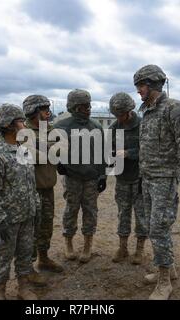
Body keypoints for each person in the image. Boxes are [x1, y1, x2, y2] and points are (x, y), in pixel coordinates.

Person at [135, 65, 180, 300]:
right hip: (148, 177)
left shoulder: (174, 108)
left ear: (151, 84)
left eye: (140, 85)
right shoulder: (147, 111)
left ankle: (164, 283)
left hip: (164, 179)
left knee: (158, 228)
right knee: (156, 227)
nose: (138, 90)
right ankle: (168, 269)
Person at [0, 104, 42, 300]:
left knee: (25, 254)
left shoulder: (23, 149)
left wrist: (36, 207)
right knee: (3, 258)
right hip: (7, 220)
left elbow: (30, 183)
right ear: (9, 125)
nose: (25, 124)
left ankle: (23, 288)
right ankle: (0, 293)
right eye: (21, 121)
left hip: (27, 215)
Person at [54, 89, 107, 264]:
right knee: (71, 210)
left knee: (90, 211)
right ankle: (68, 243)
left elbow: (101, 154)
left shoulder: (96, 127)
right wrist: (58, 164)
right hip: (72, 177)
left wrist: (102, 176)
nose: (88, 109)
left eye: (89, 105)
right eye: (84, 106)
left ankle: (87, 244)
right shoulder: (61, 127)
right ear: (75, 107)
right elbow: (53, 150)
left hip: (91, 178)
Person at [23, 95, 64, 275]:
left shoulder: (51, 130)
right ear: (32, 111)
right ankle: (27, 268)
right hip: (30, 190)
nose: (48, 111)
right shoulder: (23, 131)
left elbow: (63, 149)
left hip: (48, 187)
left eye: (48, 107)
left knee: (46, 225)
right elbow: (30, 155)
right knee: (30, 229)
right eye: (43, 108)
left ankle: (43, 258)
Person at [109, 93, 148, 265]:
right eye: (116, 115)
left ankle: (139, 249)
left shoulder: (143, 125)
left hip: (140, 178)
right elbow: (108, 151)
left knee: (141, 215)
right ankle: (123, 247)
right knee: (122, 213)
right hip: (122, 178)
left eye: (121, 114)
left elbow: (149, 150)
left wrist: (128, 153)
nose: (119, 118)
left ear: (129, 110)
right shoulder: (113, 128)